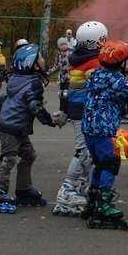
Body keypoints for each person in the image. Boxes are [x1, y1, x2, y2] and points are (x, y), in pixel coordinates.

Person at [0, 43, 67, 213]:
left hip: (16, 126)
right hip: (11, 127)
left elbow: (7, 98)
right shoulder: (33, 83)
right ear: (32, 63)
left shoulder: (17, 78)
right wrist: (51, 121)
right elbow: (34, 107)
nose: (44, 60)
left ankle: (23, 189)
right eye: (41, 58)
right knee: (9, 159)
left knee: (29, 155)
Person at [82, 40, 128, 230]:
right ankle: (103, 203)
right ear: (119, 62)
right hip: (103, 130)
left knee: (100, 163)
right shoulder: (117, 80)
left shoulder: (95, 75)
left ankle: (92, 199)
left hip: (88, 128)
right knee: (111, 163)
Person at [52, 21, 106, 216]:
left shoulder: (79, 58)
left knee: (89, 152)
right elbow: (98, 87)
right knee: (83, 152)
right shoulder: (92, 63)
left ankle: (80, 186)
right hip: (83, 112)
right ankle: (67, 190)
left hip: (79, 110)